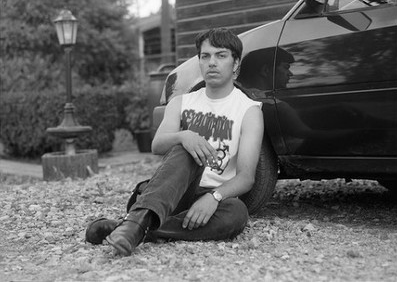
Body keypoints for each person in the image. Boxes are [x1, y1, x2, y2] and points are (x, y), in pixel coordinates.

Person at [85, 28, 264, 256]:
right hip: (168, 193)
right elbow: (157, 145)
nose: (211, 63)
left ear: (236, 63)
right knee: (188, 147)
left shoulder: (249, 111)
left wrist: (213, 197)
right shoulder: (181, 102)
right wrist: (183, 135)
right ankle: (143, 220)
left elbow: (246, 177)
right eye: (205, 56)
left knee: (237, 213)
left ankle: (134, 226)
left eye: (221, 56)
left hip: (209, 200)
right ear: (198, 61)